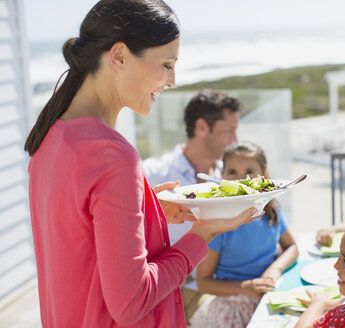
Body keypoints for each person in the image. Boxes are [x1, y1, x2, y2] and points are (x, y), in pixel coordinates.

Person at [24, 1, 259, 327]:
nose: (172, 79)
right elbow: (132, 303)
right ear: (119, 56)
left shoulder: (50, 139)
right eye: (166, 64)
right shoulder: (111, 155)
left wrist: (147, 211)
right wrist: (201, 235)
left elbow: (78, 244)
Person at [190, 141, 299, 327]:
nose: (241, 179)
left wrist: (275, 268)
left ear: (265, 176)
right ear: (222, 177)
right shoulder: (219, 224)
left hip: (270, 294)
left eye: (250, 171)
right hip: (233, 301)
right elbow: (203, 282)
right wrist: (246, 288)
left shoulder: (272, 211)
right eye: (232, 172)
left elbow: (292, 247)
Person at [143, 89, 242, 245]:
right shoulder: (150, 174)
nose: (235, 140)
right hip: (171, 268)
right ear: (202, 127)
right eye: (230, 131)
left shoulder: (230, 176)